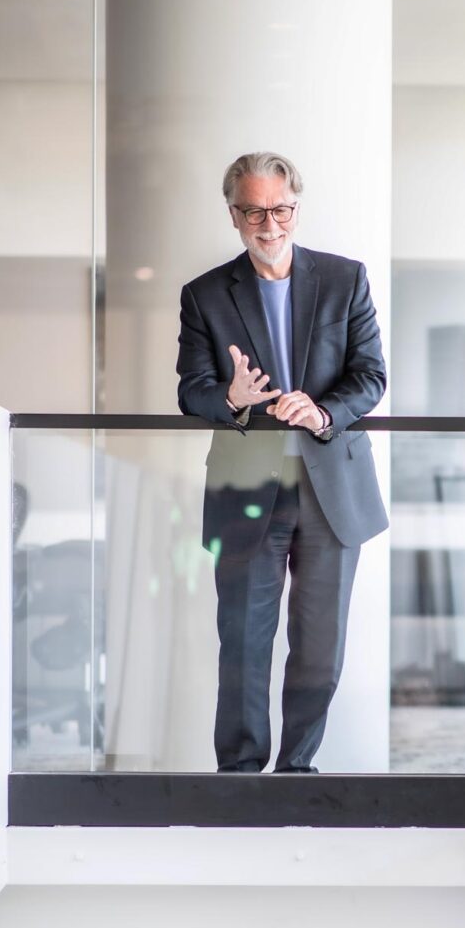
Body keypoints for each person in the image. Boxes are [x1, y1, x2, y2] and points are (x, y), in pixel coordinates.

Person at [176, 151, 387, 773]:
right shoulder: (206, 294)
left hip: (331, 488)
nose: (269, 225)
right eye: (253, 211)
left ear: (296, 205)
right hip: (247, 487)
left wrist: (322, 413)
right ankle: (240, 780)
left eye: (281, 209)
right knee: (243, 644)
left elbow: (370, 376)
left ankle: (297, 772)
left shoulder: (345, 280)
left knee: (319, 649)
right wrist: (233, 399)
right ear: (233, 213)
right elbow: (192, 390)